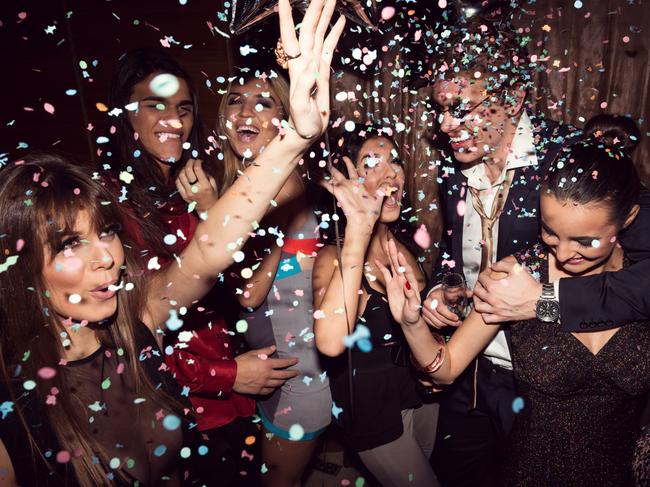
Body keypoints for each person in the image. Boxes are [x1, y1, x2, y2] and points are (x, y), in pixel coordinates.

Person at [0, 1, 345, 484]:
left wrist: (295, 139)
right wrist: (225, 375)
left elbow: (206, 257)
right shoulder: (21, 409)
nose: (106, 256)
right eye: (69, 245)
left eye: (105, 234)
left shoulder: (134, 323)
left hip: (226, 403)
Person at [380, 120, 650, 485]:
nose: (566, 253)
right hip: (532, 470)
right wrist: (411, 324)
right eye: (551, 232)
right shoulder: (514, 277)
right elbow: (444, 369)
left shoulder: (642, 279)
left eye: (585, 241)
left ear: (629, 218)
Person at [417, 21, 580, 486]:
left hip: (544, 380)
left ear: (513, 99)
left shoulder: (566, 156)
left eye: (460, 109)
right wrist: (441, 287)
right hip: (467, 373)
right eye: (440, 110)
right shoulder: (455, 171)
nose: (446, 125)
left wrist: (546, 299)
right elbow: (453, 253)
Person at [218, 70, 332, 487]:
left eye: (263, 102)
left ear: (284, 121)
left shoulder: (283, 188)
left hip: (298, 380)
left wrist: (202, 209)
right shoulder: (247, 185)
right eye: (235, 100)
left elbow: (248, 293)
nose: (246, 111)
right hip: (274, 374)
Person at [312, 127, 440, 487]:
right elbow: (330, 342)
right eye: (372, 163)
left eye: (395, 161)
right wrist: (360, 227)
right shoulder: (333, 259)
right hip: (372, 409)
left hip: (420, 394)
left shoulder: (405, 250)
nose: (392, 173)